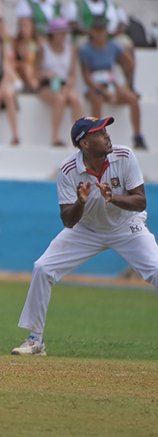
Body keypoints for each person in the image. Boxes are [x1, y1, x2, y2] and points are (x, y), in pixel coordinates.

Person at [12, 116, 155, 356]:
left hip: (126, 226)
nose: (107, 135)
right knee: (43, 268)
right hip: (86, 229)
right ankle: (35, 340)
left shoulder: (125, 155)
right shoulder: (68, 170)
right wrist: (80, 202)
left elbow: (140, 202)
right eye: (100, 132)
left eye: (106, 130)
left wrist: (113, 198)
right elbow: (68, 220)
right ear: (85, 144)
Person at [79, 17, 144, 149]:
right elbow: (86, 75)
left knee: (133, 99)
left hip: (111, 82)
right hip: (95, 84)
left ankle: (138, 135)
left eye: (102, 30)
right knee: (97, 99)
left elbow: (130, 64)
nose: (99, 34)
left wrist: (126, 83)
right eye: (96, 30)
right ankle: (96, 136)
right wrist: (102, 89)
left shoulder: (113, 46)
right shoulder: (86, 49)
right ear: (91, 32)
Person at [64, 0, 134, 90]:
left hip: (109, 36)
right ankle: (89, 81)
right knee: (82, 46)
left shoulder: (111, 5)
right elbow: (71, 23)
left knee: (126, 44)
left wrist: (115, 33)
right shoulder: (77, 4)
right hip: (85, 36)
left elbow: (124, 22)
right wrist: (90, 33)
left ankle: (129, 83)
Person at [35, 18, 82, 147]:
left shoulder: (71, 49)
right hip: (46, 84)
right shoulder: (43, 49)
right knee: (60, 99)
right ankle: (55, 136)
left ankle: (81, 135)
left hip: (63, 83)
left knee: (75, 99)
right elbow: (35, 73)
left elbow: (72, 74)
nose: (63, 35)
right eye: (61, 32)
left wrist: (68, 87)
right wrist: (47, 74)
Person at [11, 17, 40, 92]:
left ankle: (34, 86)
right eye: (20, 26)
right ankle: (35, 87)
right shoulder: (15, 43)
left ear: (32, 28)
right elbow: (12, 61)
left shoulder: (38, 42)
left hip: (35, 71)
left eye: (26, 26)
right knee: (27, 67)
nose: (23, 29)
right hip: (19, 72)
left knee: (29, 67)